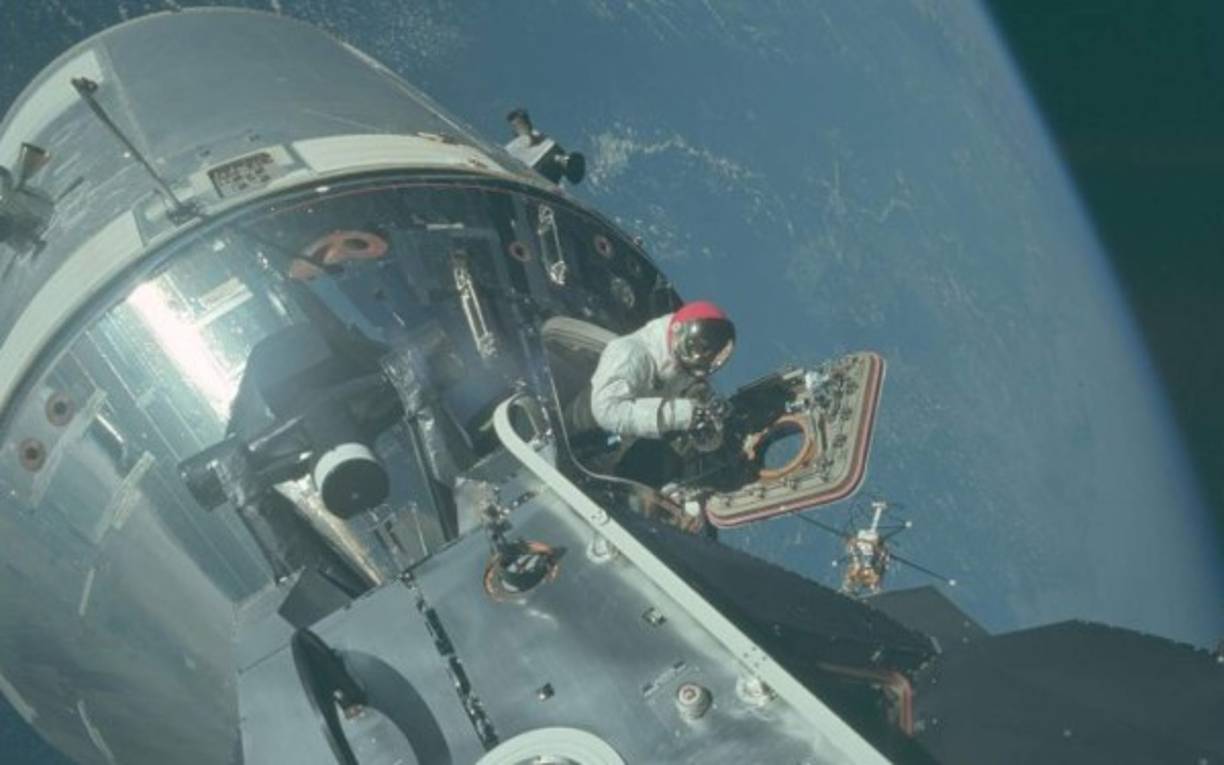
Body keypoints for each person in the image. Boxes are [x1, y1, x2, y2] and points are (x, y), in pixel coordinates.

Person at [586, 300, 735, 446]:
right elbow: (606, 410)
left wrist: (709, 424)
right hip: (573, 436)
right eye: (700, 347)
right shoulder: (631, 353)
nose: (700, 356)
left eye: (707, 354)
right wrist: (684, 414)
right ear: (679, 330)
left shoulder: (683, 372)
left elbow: (703, 437)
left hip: (613, 452)